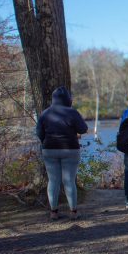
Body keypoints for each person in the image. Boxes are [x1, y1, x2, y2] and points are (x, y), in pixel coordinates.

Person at [36, 86, 88, 220]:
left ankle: (53, 212)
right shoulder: (72, 112)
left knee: (53, 181)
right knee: (69, 181)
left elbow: (39, 133)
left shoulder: (45, 113)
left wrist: (46, 142)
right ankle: (73, 212)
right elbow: (83, 129)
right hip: (70, 149)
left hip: (49, 149)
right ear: (68, 99)